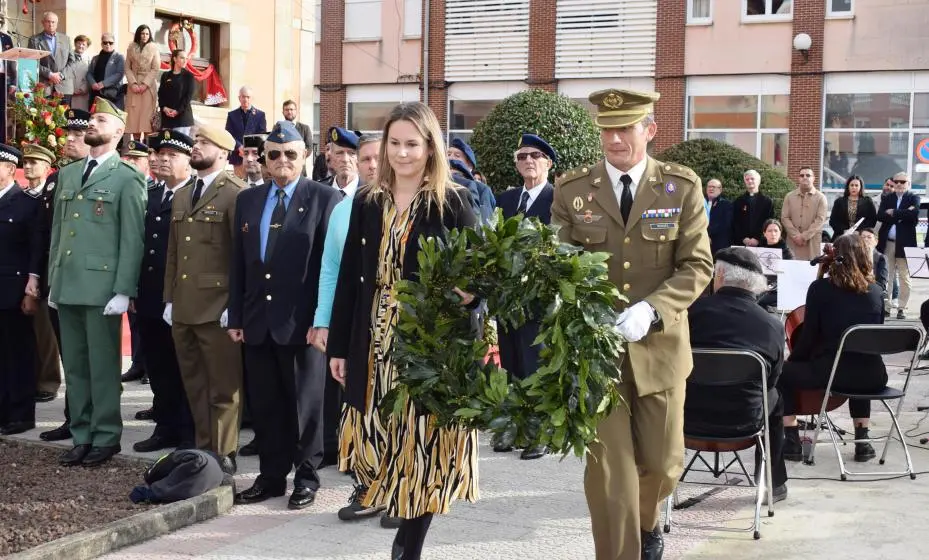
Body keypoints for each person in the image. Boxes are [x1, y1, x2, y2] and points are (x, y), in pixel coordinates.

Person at [551, 89, 712, 560]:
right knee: (611, 478)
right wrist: (583, 306)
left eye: (625, 128)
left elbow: (697, 265)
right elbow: (558, 262)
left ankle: (646, 525)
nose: (614, 138)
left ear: (650, 130)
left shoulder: (680, 187)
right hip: (595, 356)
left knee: (662, 467)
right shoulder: (572, 190)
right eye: (606, 129)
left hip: (659, 349)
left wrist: (652, 308)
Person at [328, 102, 479, 560]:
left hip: (428, 344)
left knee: (422, 445)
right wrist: (339, 346)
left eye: (412, 144)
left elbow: (477, 277)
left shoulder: (455, 202)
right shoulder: (367, 202)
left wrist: (468, 292)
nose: (402, 153)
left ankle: (406, 544)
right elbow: (350, 277)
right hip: (372, 337)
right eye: (394, 143)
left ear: (431, 146)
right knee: (380, 439)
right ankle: (398, 519)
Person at [227, 121, 339, 509]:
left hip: (303, 323)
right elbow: (239, 263)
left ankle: (307, 477)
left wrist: (322, 320)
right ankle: (272, 476)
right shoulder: (248, 199)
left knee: (306, 407)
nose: (282, 161)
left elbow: (330, 267)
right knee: (266, 404)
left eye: (290, 153)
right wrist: (236, 316)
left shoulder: (325, 199)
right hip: (258, 321)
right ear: (264, 159)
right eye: (274, 154)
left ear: (306, 155)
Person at [47, 99, 146, 467]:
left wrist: (124, 290)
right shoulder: (70, 175)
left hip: (102, 287)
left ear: (119, 131)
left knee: (103, 367)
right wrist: (54, 281)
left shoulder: (127, 177)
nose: (92, 123)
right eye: (91, 118)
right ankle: (82, 433)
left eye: (101, 119)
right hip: (69, 284)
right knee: (73, 366)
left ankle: (105, 436)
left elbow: (132, 238)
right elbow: (58, 233)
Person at [311, 133, 391, 524]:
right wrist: (324, 322)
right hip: (359, 325)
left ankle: (402, 489)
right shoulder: (346, 209)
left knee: (396, 409)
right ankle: (368, 483)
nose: (373, 165)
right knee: (360, 409)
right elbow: (332, 271)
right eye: (366, 159)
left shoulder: (413, 203)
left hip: (399, 326)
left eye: (379, 157)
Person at [163, 125, 245, 475]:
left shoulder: (235, 194)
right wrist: (169, 298)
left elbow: (241, 257)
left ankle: (224, 453)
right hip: (184, 304)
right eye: (196, 142)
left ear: (224, 153)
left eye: (204, 143)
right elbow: (173, 253)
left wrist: (234, 306)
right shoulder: (182, 195)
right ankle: (203, 449)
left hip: (217, 306)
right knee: (194, 382)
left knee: (224, 387)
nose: (196, 148)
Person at [688, 248, 788, 503]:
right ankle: (771, 484)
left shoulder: (690, 314)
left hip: (690, 418)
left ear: (719, 274)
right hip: (745, 421)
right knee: (775, 396)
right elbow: (773, 378)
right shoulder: (771, 324)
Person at [778, 233, 885, 463]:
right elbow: (874, 336)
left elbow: (808, 339)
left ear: (837, 257)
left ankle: (792, 440)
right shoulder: (876, 292)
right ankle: (862, 442)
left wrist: (793, 361)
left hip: (832, 375)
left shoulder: (820, 289)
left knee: (780, 373)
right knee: (860, 357)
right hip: (874, 377)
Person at [492, 132, 556, 460]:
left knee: (536, 365)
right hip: (508, 298)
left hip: (539, 298)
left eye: (535, 155)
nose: (528, 161)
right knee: (513, 364)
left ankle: (539, 432)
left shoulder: (556, 200)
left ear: (548, 162)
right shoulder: (506, 199)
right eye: (522, 156)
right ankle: (515, 426)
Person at [133, 130, 197, 453]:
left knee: (183, 365)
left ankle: (187, 431)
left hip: (182, 295)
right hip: (150, 294)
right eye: (160, 154)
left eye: (172, 155)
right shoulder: (153, 194)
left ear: (188, 160)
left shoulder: (195, 195)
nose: (163, 159)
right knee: (157, 364)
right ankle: (165, 425)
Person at [38, 109, 93, 443]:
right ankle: (73, 418)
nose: (70, 139)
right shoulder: (58, 177)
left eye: (78, 134)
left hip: (84, 279)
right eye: (67, 134)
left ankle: (88, 419)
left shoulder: (94, 177)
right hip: (56, 275)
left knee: (85, 354)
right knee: (68, 353)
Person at [0, 144, 42, 436]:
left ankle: (21, 413)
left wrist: (31, 289)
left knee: (19, 353)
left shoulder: (26, 203)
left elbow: (36, 250)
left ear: (8, 168)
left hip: (14, 289)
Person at [21, 144, 62, 403]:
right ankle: (28, 378)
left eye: (34, 162)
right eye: (25, 162)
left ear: (47, 168)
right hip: (21, 268)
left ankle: (48, 381)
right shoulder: (21, 195)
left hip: (44, 269)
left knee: (45, 331)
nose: (28, 167)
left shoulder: (50, 194)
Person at [877, 171, 919, 319]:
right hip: (888, 243)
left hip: (905, 244)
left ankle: (902, 308)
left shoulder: (913, 197)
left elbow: (913, 215)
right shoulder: (888, 198)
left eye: (903, 181)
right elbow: (880, 215)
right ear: (893, 183)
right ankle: (887, 307)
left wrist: (894, 212)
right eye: (897, 181)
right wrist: (903, 213)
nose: (900, 184)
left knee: (904, 277)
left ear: (909, 183)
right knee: (887, 276)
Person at [781, 166, 827, 260]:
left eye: (808, 175)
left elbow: (820, 220)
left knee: (811, 271)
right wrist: (795, 235)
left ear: (813, 178)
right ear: (798, 178)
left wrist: (803, 237)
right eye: (802, 175)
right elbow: (784, 218)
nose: (805, 177)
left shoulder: (821, 198)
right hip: (792, 241)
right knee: (791, 269)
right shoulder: (789, 196)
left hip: (812, 243)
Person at [124, 25, 160, 138]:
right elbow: (127, 68)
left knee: (147, 120)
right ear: (138, 34)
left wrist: (145, 84)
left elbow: (155, 68)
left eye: (147, 34)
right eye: (142, 33)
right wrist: (133, 83)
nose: (145, 36)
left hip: (148, 87)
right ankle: (135, 149)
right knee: (134, 120)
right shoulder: (131, 48)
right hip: (133, 87)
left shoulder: (154, 48)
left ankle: (147, 150)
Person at [448, 137, 495, 221]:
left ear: (469, 165)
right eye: (448, 154)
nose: (451, 158)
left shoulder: (482, 189)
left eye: (457, 156)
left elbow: (485, 223)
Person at [225, 87, 267, 177]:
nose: (245, 99)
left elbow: (262, 135)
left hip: (254, 157)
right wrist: (239, 146)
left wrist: (248, 149)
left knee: (254, 183)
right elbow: (228, 134)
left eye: (248, 97)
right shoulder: (232, 115)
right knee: (240, 184)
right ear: (239, 98)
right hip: (238, 156)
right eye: (243, 96)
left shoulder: (260, 115)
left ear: (252, 98)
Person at [28, 11, 71, 96]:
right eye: (48, 21)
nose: (50, 24)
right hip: (45, 86)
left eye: (53, 22)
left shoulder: (66, 39)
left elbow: (72, 61)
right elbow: (32, 62)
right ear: (43, 23)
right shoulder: (34, 40)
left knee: (66, 110)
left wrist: (61, 75)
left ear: (57, 23)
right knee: (44, 110)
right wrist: (50, 74)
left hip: (64, 86)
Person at [731, 169, 774, 247]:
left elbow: (769, 222)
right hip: (741, 243)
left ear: (759, 181)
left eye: (752, 179)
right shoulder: (738, 201)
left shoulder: (767, 202)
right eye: (747, 179)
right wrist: (743, 238)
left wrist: (758, 238)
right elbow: (735, 222)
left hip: (761, 243)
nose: (749, 181)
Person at [756, 219, 793, 310]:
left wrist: (771, 285)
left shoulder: (787, 252)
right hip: (760, 285)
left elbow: (789, 275)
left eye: (776, 231)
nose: (773, 234)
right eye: (769, 231)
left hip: (777, 289)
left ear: (780, 233)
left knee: (758, 299)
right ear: (764, 233)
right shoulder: (758, 249)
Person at [158, 49, 196, 137]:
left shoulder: (189, 76)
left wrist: (177, 111)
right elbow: (161, 94)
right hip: (167, 119)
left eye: (186, 58)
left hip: (182, 119)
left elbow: (188, 97)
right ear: (175, 59)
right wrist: (164, 108)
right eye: (182, 58)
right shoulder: (165, 75)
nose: (185, 60)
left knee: (179, 149)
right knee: (166, 148)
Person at [86, 33, 126, 110]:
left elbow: (119, 74)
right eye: (105, 42)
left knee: (109, 118)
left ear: (114, 43)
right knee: (94, 116)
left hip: (111, 94)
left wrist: (103, 84)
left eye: (110, 43)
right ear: (101, 44)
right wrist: (93, 83)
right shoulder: (95, 58)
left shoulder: (119, 57)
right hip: (95, 93)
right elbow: (89, 73)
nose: (108, 45)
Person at [60, 35, 91, 110]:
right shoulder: (66, 56)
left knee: (78, 117)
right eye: (79, 43)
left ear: (87, 47)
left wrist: (82, 89)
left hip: (81, 95)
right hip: (66, 92)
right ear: (75, 44)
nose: (81, 46)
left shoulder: (89, 60)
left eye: (83, 44)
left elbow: (90, 76)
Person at [705, 178, 732, 257]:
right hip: (701, 242)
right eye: (709, 187)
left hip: (718, 244)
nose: (711, 189)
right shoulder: (700, 203)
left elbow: (725, 224)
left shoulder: (726, 205)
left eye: (714, 187)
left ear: (720, 190)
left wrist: (708, 234)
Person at [859, 227, 888, 297]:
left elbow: (882, 284)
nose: (866, 239)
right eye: (863, 237)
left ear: (876, 241)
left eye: (869, 237)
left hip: (872, 292)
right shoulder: (854, 255)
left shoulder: (881, 258)